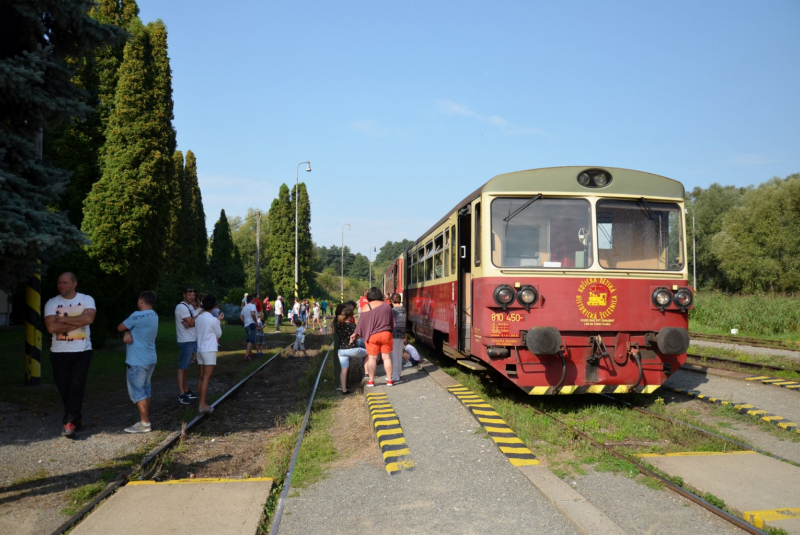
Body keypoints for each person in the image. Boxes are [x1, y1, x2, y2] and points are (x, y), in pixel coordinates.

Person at [43, 272, 97, 438]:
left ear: (74, 284)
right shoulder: (52, 303)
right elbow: (51, 328)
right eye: (59, 283)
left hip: (82, 351)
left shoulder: (87, 299)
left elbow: (89, 320)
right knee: (64, 388)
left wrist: (61, 320)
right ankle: (76, 418)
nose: (61, 286)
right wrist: (78, 318)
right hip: (59, 352)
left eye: (65, 283)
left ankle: (69, 423)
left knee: (76, 385)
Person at [118, 290, 158, 433]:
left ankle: (144, 423)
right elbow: (133, 330)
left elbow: (120, 327)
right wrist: (129, 332)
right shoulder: (154, 315)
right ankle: (144, 420)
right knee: (146, 390)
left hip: (137, 361)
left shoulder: (136, 316)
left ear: (141, 301)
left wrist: (126, 331)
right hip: (150, 359)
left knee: (138, 392)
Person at [351, 287, 395, 387]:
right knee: (387, 357)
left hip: (372, 336)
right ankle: (389, 380)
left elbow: (361, 323)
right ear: (380, 295)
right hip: (386, 334)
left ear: (369, 296)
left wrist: (355, 333)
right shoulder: (386, 306)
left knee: (372, 358)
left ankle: (371, 381)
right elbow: (392, 321)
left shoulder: (366, 307)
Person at [195, 295, 223, 414]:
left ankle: (201, 401)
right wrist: (219, 321)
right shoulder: (213, 320)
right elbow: (218, 334)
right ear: (213, 306)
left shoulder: (198, 318)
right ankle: (202, 404)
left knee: (201, 376)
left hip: (200, 349)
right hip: (209, 349)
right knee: (207, 377)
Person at [174, 288, 199, 405]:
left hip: (190, 339)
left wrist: (191, 322)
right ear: (184, 295)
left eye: (193, 295)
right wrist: (198, 316)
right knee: (182, 367)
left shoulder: (189, 307)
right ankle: (181, 393)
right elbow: (193, 322)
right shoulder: (182, 307)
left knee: (185, 367)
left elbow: (192, 323)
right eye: (190, 294)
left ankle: (186, 390)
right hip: (185, 340)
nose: (192, 297)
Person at [335, 307, 366, 395]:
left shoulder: (338, 325)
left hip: (341, 351)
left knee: (344, 370)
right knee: (369, 353)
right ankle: (367, 373)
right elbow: (359, 336)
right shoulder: (353, 326)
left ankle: (344, 390)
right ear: (351, 316)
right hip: (353, 349)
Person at [389, 293, 407, 384]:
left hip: (394, 334)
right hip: (402, 334)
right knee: (399, 355)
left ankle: (395, 376)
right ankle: (398, 372)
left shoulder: (392, 310)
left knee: (394, 356)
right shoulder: (403, 309)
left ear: (392, 301)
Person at [240, 294, 258, 360]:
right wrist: (256, 322)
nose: (254, 300)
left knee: (248, 339)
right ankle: (247, 355)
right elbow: (253, 313)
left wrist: (245, 321)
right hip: (251, 324)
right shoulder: (252, 306)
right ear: (251, 300)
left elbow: (241, 316)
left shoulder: (245, 307)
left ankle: (250, 353)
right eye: (253, 299)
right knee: (251, 340)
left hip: (246, 325)